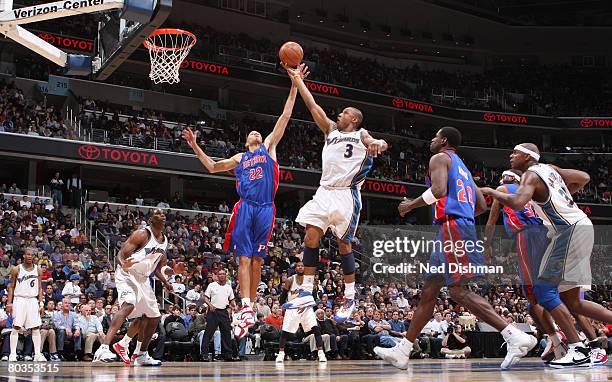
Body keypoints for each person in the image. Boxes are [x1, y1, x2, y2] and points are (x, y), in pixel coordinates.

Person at [375, 127, 536, 370]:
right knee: (429, 292)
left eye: (434, 136)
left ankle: (513, 334)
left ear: (444, 140)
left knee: (458, 292)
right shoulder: (463, 167)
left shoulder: (439, 157)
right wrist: (462, 214)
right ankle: (403, 349)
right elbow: (481, 205)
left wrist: (410, 205)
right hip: (455, 227)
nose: (431, 139)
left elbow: (438, 191)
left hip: (453, 228)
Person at [481, 143, 612, 368]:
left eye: (515, 152)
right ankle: (582, 345)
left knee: (542, 290)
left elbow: (518, 202)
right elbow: (584, 177)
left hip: (567, 230)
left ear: (527, 157)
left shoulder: (530, 176)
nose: (511, 156)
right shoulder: (550, 169)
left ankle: (576, 349)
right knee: (573, 302)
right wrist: (561, 196)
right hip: (579, 225)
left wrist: (490, 191)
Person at [183, 81, 298, 331]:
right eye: (252, 133)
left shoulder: (269, 148)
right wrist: (194, 145)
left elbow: (286, 114)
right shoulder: (240, 158)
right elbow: (212, 167)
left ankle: (251, 306)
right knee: (244, 258)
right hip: (246, 207)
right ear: (246, 141)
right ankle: (245, 303)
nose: (256, 133)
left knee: (258, 260)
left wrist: (294, 84)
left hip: (266, 208)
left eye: (258, 132)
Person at [282, 64, 388, 323]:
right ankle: (307, 289)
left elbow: (381, 143)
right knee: (310, 237)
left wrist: (377, 144)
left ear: (353, 119)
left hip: (346, 195)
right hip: (324, 191)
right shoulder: (331, 131)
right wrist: (298, 81)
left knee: (344, 244)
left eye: (344, 113)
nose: (338, 115)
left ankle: (350, 296)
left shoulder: (362, 134)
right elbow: (312, 106)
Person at [484, 169, 569, 363]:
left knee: (531, 292)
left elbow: (491, 220)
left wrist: (487, 245)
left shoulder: (504, 189)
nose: (502, 178)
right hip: (548, 235)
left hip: (528, 235)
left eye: (505, 175)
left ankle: (559, 336)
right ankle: (557, 338)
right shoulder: (533, 191)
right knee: (537, 298)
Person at [93, 209, 172, 365]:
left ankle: (141, 354)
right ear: (151, 219)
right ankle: (103, 349)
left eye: (163, 214)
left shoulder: (164, 241)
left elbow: (159, 268)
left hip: (143, 279)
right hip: (127, 273)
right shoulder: (142, 234)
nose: (162, 216)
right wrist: (124, 263)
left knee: (154, 317)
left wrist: (169, 276)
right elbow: (121, 254)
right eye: (158, 214)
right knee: (129, 303)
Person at [276, 262, 326, 363]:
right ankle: (281, 354)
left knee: (316, 329)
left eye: (302, 265)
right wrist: (284, 306)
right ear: (295, 268)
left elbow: (313, 297)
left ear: (305, 268)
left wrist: (306, 305)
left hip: (306, 308)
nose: (300, 267)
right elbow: (282, 297)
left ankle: (321, 353)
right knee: (284, 331)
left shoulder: (309, 281)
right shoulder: (290, 280)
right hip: (293, 308)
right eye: (298, 265)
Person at [6, 248, 46, 362]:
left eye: (32, 255)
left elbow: (39, 288)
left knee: (35, 327)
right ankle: (12, 354)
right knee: (16, 326)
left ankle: (37, 354)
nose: (30, 256)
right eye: (28, 254)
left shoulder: (38, 269)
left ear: (34, 257)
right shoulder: (16, 269)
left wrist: (41, 303)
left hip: (32, 300)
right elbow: (11, 286)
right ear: (24, 255)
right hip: (20, 299)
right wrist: (9, 303)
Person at [200, 268, 236, 362]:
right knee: (208, 333)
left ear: (226, 276)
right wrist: (210, 305)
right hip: (213, 311)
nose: (222, 275)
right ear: (217, 276)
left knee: (226, 333)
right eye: (220, 274)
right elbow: (205, 297)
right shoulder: (212, 285)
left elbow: (231, 300)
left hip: (224, 311)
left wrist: (234, 306)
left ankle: (227, 355)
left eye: (223, 274)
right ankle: (204, 354)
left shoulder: (228, 287)